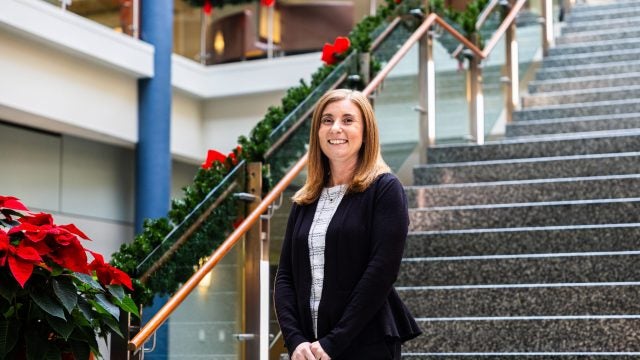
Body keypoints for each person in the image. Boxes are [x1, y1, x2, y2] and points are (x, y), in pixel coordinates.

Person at [274, 89, 422, 360]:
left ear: (366, 132)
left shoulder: (385, 189)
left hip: (365, 344)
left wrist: (334, 341)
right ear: (317, 132)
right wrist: (295, 340)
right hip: (309, 350)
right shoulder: (304, 200)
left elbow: (381, 272)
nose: (336, 128)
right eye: (327, 120)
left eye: (348, 120)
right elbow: (285, 276)